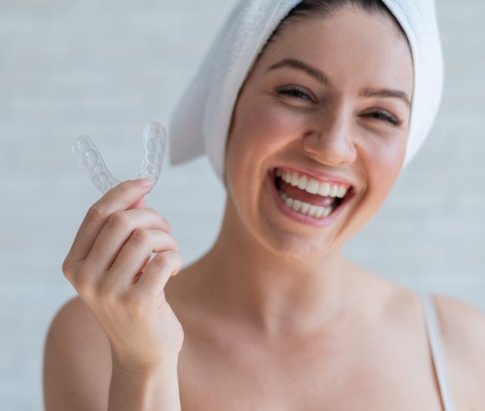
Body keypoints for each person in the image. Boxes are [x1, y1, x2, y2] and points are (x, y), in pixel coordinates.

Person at [43, 0, 485, 410]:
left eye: (380, 115)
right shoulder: (95, 337)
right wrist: (142, 364)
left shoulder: (463, 348)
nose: (331, 148)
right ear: (228, 102)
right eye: (297, 92)